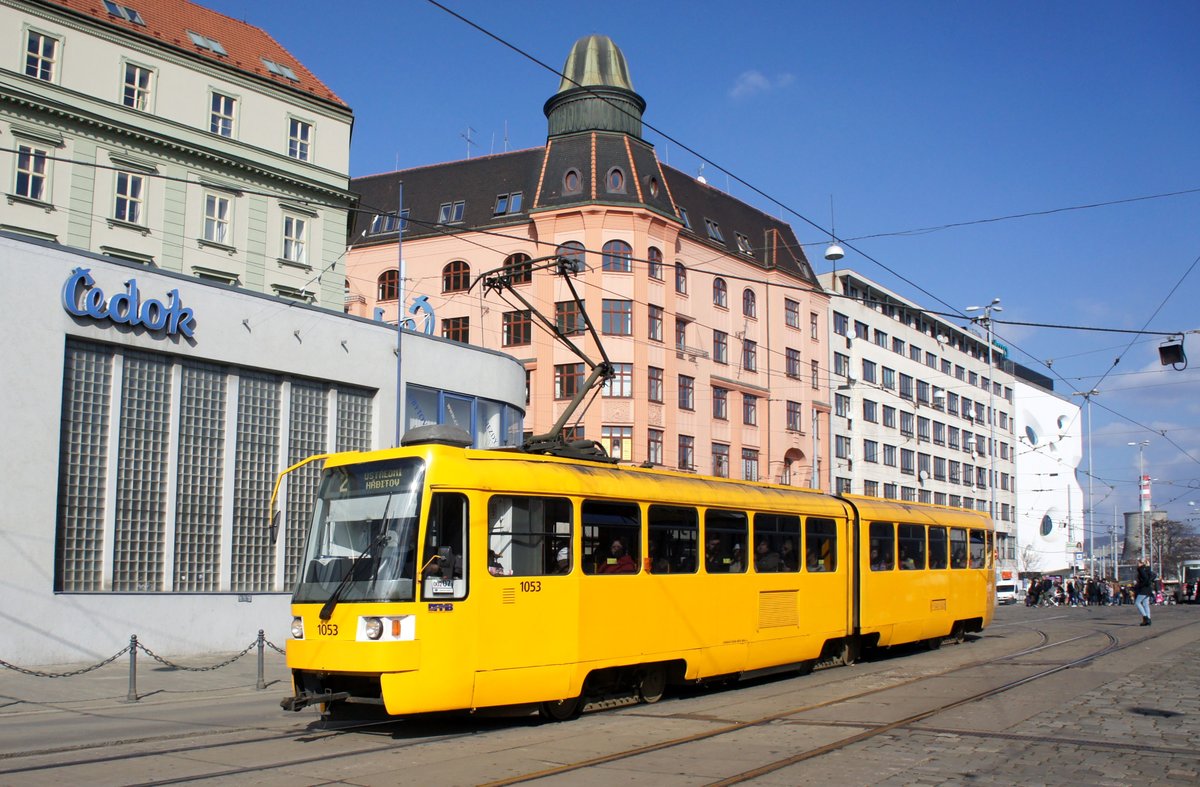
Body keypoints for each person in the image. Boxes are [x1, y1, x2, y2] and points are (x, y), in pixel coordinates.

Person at [1133, 559, 1155, 625]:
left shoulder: (1141, 569)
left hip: (1144, 589)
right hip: (1148, 589)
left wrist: (1140, 585)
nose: (1137, 564)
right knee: (1145, 604)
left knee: (1137, 602)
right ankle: (1148, 619)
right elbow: (1151, 576)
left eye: (1138, 563)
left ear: (1141, 563)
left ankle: (1146, 618)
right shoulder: (1147, 569)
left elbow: (1145, 579)